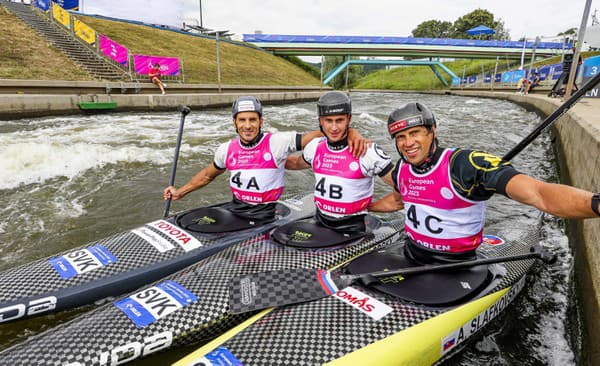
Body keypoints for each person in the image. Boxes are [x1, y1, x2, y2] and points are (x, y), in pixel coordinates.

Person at [369, 102, 600, 263]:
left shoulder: (465, 164)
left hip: (455, 263)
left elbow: (538, 193)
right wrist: (363, 208)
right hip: (411, 253)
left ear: (433, 131)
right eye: (401, 137)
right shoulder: (402, 168)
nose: (408, 143)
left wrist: (595, 204)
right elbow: (399, 201)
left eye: (416, 133)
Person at [163, 96, 368, 222]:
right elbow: (207, 176)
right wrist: (180, 192)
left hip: (265, 216)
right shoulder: (226, 149)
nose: (248, 125)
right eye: (242, 120)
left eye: (253, 119)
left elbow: (317, 135)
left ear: (261, 121)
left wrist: (351, 133)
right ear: (234, 122)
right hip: (236, 209)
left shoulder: (277, 142)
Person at [285, 91, 394, 234]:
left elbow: (406, 188)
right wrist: (263, 155)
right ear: (320, 121)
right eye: (328, 121)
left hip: (353, 228)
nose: (334, 127)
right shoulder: (315, 146)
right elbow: (294, 163)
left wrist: (371, 206)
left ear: (349, 119)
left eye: (339, 120)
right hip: (320, 220)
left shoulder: (367, 151)